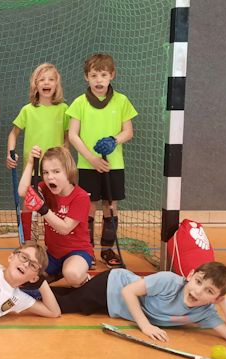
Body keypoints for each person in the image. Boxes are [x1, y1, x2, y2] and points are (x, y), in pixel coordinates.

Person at [50, 262, 226, 345]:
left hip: (114, 309)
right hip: (112, 286)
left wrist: (225, 303)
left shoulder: (205, 312)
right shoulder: (169, 281)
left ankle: (37, 289)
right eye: (198, 282)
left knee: (69, 297)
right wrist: (145, 326)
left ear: (216, 298)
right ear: (190, 276)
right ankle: (36, 289)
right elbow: (128, 291)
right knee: (62, 306)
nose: (198, 291)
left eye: (209, 291)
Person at [66, 53, 137, 268]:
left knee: (110, 205)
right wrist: (91, 158)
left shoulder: (121, 101)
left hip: (113, 165)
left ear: (111, 75)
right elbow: (73, 135)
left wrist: (114, 140)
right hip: (88, 165)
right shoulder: (79, 103)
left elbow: (128, 132)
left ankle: (107, 249)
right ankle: (86, 250)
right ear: (86, 77)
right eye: (94, 75)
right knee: (88, 206)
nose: (99, 80)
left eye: (103, 75)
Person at [6, 63, 69, 241]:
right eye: (42, 80)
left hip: (56, 169)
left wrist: (64, 154)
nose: (46, 83)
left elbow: (68, 137)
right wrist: (10, 153)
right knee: (29, 203)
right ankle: (26, 241)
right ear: (35, 84)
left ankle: (53, 242)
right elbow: (13, 134)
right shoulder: (28, 110)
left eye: (51, 79)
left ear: (56, 84)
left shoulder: (64, 109)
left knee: (54, 205)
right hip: (32, 168)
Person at [18, 146, 92, 288]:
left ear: (68, 171)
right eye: (45, 172)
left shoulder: (80, 197)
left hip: (77, 252)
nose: (50, 177)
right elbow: (22, 192)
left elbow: (65, 228)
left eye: (56, 171)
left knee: (72, 274)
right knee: (26, 279)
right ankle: (56, 273)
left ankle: (87, 280)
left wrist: (43, 209)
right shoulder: (46, 189)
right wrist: (30, 163)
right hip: (52, 254)